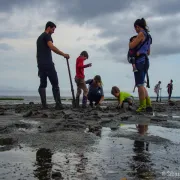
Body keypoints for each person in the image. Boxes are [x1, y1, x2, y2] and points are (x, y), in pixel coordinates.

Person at [36, 21, 70, 109]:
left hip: (41, 65)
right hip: (48, 64)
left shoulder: (39, 38)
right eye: (53, 29)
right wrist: (63, 54)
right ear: (48, 28)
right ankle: (58, 104)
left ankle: (44, 105)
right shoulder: (47, 36)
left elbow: (38, 54)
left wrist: (39, 66)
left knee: (42, 84)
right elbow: (52, 47)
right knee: (55, 84)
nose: (53, 31)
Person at [129, 18, 152, 112]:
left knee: (139, 85)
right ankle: (148, 105)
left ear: (137, 26)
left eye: (135, 28)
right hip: (146, 60)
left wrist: (130, 43)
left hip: (139, 62)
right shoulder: (149, 37)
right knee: (142, 84)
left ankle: (142, 106)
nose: (135, 30)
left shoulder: (141, 34)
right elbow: (149, 52)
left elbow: (131, 46)